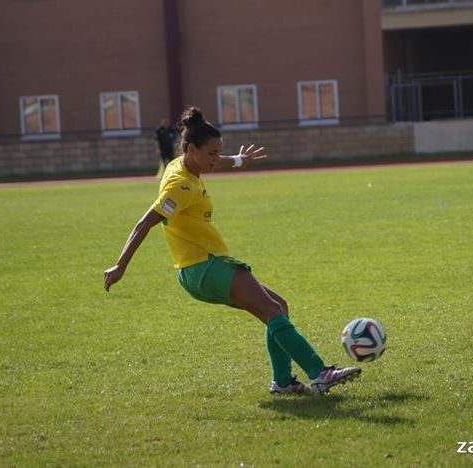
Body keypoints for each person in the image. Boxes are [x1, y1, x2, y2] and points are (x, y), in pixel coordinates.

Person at [104, 107, 361, 395]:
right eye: (212, 154)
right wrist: (120, 265)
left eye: (219, 153)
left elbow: (215, 159)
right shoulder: (180, 187)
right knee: (272, 310)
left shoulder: (182, 163)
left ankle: (283, 382)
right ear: (191, 149)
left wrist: (239, 160)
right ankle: (320, 372)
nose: (216, 160)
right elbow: (144, 223)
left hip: (203, 267)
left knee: (279, 307)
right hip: (204, 266)